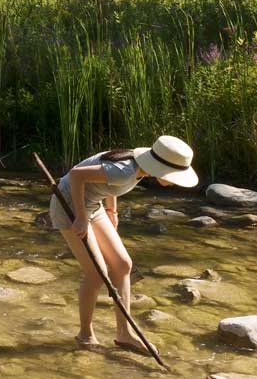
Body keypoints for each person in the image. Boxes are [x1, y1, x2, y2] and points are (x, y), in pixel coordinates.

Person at [51, 136, 196, 353]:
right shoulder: (125, 170)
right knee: (96, 274)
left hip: (93, 204)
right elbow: (76, 175)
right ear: (161, 167)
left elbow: (106, 185)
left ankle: (124, 333)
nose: (175, 182)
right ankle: (85, 334)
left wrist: (112, 211)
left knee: (122, 264)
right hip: (70, 205)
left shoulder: (139, 168)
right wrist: (81, 217)